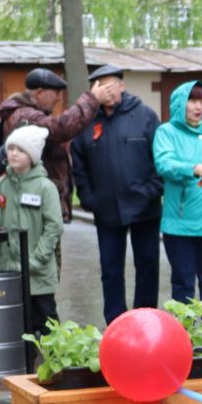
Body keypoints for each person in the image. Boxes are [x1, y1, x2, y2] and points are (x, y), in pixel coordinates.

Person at [68, 65, 163, 323]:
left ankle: (145, 320)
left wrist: (152, 190)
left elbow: (161, 158)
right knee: (110, 270)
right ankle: (116, 323)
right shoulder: (87, 123)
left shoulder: (144, 116)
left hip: (145, 206)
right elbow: (79, 165)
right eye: (101, 87)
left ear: (122, 85)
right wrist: (89, 199)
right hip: (106, 208)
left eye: (112, 85)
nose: (107, 92)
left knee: (147, 266)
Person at [154, 81, 202, 326]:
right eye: (192, 101)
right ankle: (184, 335)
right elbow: (164, 164)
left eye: (201, 101)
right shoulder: (166, 132)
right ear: (181, 104)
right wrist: (193, 168)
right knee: (183, 283)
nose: (198, 107)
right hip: (180, 225)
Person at [0, 126, 63, 352]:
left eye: (20, 150)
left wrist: (37, 258)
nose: (13, 154)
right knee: (17, 321)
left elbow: (54, 226)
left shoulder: (45, 187)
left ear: (32, 156)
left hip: (37, 270)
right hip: (8, 268)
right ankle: (24, 366)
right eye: (10, 148)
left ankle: (56, 363)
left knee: (46, 319)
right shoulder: (0, 185)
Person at [0, 68, 84, 223]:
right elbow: (61, 128)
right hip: (35, 206)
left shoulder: (24, 112)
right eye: (56, 93)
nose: (60, 98)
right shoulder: (27, 115)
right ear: (40, 93)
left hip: (38, 201)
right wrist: (92, 99)